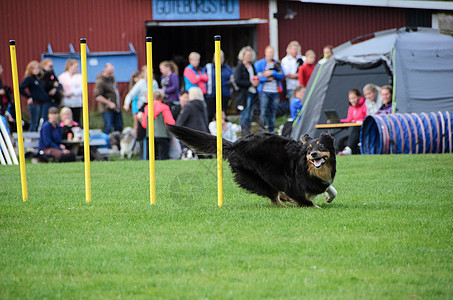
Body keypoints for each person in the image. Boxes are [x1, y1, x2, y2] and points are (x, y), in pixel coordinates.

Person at [138, 89, 175, 160]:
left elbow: (144, 124)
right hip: (163, 135)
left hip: (150, 135)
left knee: (152, 157)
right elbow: (170, 122)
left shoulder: (147, 108)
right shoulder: (165, 107)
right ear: (162, 97)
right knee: (162, 157)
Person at [254, 45, 284, 133]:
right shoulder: (260, 64)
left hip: (274, 91)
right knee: (263, 110)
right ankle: (262, 130)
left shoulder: (276, 63)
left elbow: (281, 75)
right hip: (264, 91)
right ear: (265, 53)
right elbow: (258, 76)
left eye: (272, 53)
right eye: (269, 52)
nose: (271, 54)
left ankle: (271, 130)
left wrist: (272, 72)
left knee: (273, 111)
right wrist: (267, 78)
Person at [123, 66, 158, 134]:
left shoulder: (154, 83)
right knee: (138, 126)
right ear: (144, 73)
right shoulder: (140, 83)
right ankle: (138, 141)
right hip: (142, 106)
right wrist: (126, 104)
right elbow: (130, 94)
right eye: (147, 73)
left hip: (152, 107)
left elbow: (157, 94)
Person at [234, 46, 259, 135]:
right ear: (243, 55)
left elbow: (255, 76)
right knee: (245, 112)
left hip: (253, 92)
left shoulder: (252, 66)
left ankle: (248, 130)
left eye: (250, 55)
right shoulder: (240, 67)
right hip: (244, 93)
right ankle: (244, 131)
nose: (249, 57)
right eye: (247, 55)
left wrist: (256, 82)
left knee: (250, 113)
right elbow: (237, 81)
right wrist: (250, 83)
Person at [203, 50, 234, 122]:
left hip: (224, 94)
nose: (220, 59)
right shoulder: (208, 67)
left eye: (221, 58)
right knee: (210, 114)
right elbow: (202, 78)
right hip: (211, 95)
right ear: (214, 58)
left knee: (223, 114)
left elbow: (233, 79)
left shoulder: (227, 68)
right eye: (218, 57)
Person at [94, 63, 123, 134]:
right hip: (107, 109)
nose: (111, 74)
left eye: (112, 72)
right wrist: (109, 103)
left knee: (119, 127)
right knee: (108, 127)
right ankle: (107, 144)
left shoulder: (112, 79)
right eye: (109, 73)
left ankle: (117, 143)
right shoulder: (100, 81)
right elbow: (98, 96)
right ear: (105, 70)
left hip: (116, 108)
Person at [19, 60, 49, 131]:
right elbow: (21, 88)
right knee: (34, 122)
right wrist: (29, 97)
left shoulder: (40, 78)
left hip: (42, 102)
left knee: (41, 122)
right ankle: (31, 137)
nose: (36, 70)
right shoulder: (29, 78)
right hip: (35, 103)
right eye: (34, 68)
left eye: (38, 68)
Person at [338, 88, 367, 155]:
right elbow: (349, 119)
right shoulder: (351, 107)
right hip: (356, 128)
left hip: (363, 128)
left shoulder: (365, 105)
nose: (352, 100)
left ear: (359, 97)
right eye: (350, 99)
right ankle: (348, 150)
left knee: (356, 128)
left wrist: (357, 121)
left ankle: (348, 150)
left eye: (354, 98)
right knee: (341, 142)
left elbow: (367, 117)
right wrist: (339, 121)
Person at [58, 59, 83, 125]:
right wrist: (64, 94)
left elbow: (82, 89)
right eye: (75, 67)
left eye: (77, 67)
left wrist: (72, 93)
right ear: (69, 66)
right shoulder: (62, 76)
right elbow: (59, 88)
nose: (76, 68)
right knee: (66, 120)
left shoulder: (80, 77)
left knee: (77, 120)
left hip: (77, 102)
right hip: (66, 102)